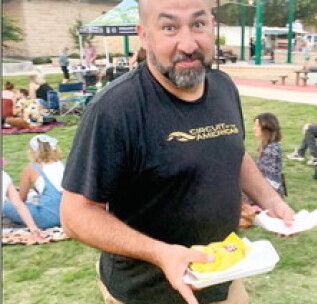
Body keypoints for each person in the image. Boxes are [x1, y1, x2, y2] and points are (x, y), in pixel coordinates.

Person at [60, 1, 295, 304]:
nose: (188, 44)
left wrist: (271, 201)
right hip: (147, 291)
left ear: (212, 26)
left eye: (198, 25)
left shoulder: (222, 87)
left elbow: (233, 150)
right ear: (144, 36)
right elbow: (74, 214)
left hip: (222, 275)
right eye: (169, 27)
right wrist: (160, 253)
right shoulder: (116, 109)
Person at [243, 113, 285, 207]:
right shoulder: (265, 147)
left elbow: (270, 179)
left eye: (257, 126)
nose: (254, 128)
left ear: (266, 128)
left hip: (269, 191)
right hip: (263, 187)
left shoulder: (271, 150)